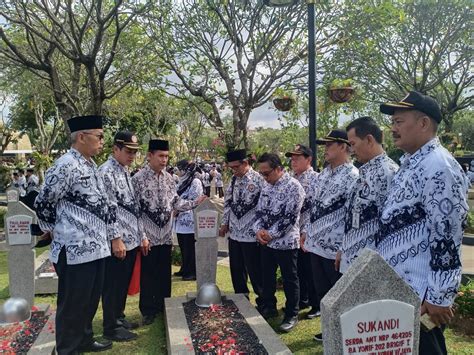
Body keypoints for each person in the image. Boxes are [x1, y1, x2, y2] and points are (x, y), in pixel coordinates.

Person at [378, 91, 469, 354]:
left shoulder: (438, 165)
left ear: (423, 123)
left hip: (421, 296)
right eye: (392, 122)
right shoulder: (411, 163)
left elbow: (447, 232)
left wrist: (440, 296)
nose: (393, 128)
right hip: (401, 291)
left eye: (399, 121)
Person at [35, 115, 113, 354]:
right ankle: (68, 349)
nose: (102, 141)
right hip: (75, 250)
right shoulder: (65, 165)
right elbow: (44, 202)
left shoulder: (89, 164)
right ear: (81, 137)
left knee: (89, 301)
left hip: (96, 248)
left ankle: (85, 340)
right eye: (98, 136)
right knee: (72, 305)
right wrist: (52, 229)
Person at [132, 139, 206, 325]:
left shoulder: (170, 179)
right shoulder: (138, 179)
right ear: (150, 156)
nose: (164, 160)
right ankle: (148, 310)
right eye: (160, 156)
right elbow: (135, 211)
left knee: (164, 274)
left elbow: (175, 202)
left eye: (167, 156)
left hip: (165, 235)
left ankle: (164, 306)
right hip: (148, 237)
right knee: (148, 275)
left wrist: (194, 203)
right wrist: (142, 236)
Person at [302, 129, 358, 342]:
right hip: (316, 245)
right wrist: (307, 232)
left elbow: (353, 216)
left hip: (336, 249)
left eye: (329, 145)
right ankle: (328, 329)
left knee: (339, 294)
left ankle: (343, 333)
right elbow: (314, 207)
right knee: (323, 292)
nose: (325, 149)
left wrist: (344, 247)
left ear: (343, 146)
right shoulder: (324, 173)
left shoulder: (353, 176)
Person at [99, 131, 146, 342]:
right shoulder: (106, 172)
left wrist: (141, 235)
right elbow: (107, 209)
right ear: (115, 149)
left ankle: (118, 317)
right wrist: (115, 238)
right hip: (118, 242)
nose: (132, 156)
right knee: (113, 286)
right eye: (128, 151)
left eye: (135, 152)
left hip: (132, 239)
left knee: (122, 284)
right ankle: (111, 327)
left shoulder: (124, 170)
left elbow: (133, 207)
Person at [337, 117, 399, 273]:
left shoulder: (388, 173)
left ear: (369, 140)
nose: (351, 150)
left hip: (369, 268)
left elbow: (389, 226)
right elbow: (352, 216)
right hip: (351, 260)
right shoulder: (364, 172)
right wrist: (342, 248)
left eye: (353, 144)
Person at [254, 153, 305, 332]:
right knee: (266, 276)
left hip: (286, 242)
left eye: (267, 173)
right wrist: (258, 230)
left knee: (290, 278)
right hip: (267, 242)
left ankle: (292, 314)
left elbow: (290, 218)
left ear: (278, 169)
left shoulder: (294, 187)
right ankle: (269, 307)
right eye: (262, 174)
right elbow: (259, 211)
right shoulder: (266, 186)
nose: (264, 178)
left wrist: (270, 234)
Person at [219, 149, 264, 312]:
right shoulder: (232, 180)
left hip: (252, 234)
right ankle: (241, 298)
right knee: (236, 268)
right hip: (235, 233)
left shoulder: (259, 179)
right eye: (231, 168)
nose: (234, 171)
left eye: (236, 167)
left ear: (246, 163)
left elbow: (264, 206)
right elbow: (227, 203)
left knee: (255, 269)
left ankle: (263, 301)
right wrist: (225, 223)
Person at [285, 144, 320, 319]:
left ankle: (316, 305)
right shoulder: (291, 179)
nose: (294, 161)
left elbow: (314, 209)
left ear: (308, 159)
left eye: (298, 158)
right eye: (292, 158)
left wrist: (306, 231)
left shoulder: (315, 179)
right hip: (292, 232)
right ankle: (302, 300)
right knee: (297, 270)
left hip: (308, 231)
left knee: (310, 270)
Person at [174, 159, 203, 281]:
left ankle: (192, 272)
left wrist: (178, 207)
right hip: (180, 220)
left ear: (186, 170)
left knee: (190, 247)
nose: (178, 172)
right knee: (183, 246)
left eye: (180, 169)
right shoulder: (182, 181)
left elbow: (195, 200)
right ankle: (185, 268)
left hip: (190, 220)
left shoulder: (195, 182)